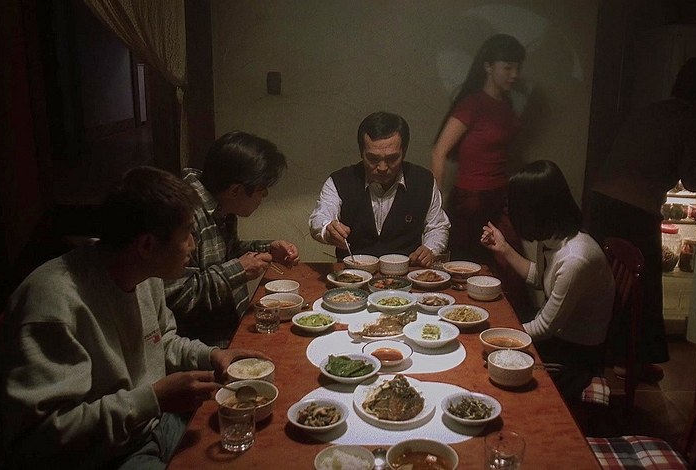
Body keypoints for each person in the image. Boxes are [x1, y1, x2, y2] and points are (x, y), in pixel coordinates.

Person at [0, 166, 269, 469]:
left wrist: (213, 356)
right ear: (147, 245)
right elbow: (41, 437)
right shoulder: (54, 305)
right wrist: (154, 399)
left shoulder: (146, 276)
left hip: (155, 424)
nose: (193, 244)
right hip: (103, 457)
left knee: (257, 444)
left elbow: (161, 342)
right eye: (187, 234)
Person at [587, 56, 696, 383]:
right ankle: (630, 361)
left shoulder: (650, 110)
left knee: (610, 282)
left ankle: (602, 353)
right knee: (642, 287)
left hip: (602, 201)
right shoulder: (692, 121)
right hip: (636, 209)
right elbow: (695, 178)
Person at [481, 160, 614, 401]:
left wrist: (495, 334)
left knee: (489, 364)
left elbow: (543, 328)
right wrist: (504, 248)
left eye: (513, 207)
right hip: (559, 340)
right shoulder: (554, 238)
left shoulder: (575, 259)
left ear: (535, 210)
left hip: (575, 356)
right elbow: (541, 279)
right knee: (493, 327)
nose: (509, 213)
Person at [165, 131, 299, 346]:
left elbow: (227, 253)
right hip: (205, 346)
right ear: (235, 190)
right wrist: (237, 271)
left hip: (234, 329)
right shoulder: (183, 213)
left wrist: (268, 249)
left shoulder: (220, 205)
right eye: (262, 190)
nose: (264, 197)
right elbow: (177, 297)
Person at [431, 33, 526, 264]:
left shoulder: (507, 105)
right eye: (508, 67)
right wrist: (436, 204)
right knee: (467, 265)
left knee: (505, 264)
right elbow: (439, 151)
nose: (514, 74)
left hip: (499, 196)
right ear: (488, 67)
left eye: (517, 68)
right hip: (471, 200)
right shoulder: (473, 104)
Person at [309, 111, 450, 266]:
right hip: (354, 274)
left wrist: (430, 249)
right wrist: (328, 230)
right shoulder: (339, 181)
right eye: (373, 158)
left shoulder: (424, 181)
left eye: (392, 158)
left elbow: (438, 227)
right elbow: (319, 218)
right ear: (361, 152)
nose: (382, 167)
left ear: (404, 152)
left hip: (407, 273)